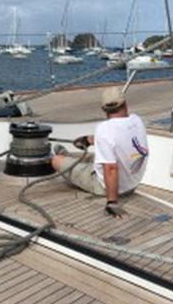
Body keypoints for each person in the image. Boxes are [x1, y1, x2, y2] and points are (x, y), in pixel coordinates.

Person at [51, 87, 149, 218]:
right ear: (125, 103)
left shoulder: (104, 129)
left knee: (55, 160)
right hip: (132, 184)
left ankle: (63, 157)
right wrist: (88, 140)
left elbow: (111, 169)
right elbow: (117, 138)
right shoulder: (137, 120)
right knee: (94, 157)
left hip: (105, 187)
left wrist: (112, 202)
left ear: (104, 109)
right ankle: (67, 156)